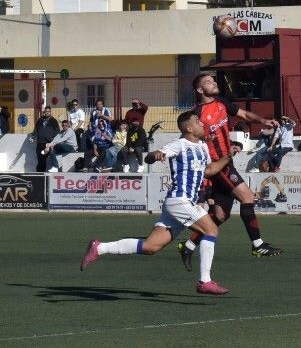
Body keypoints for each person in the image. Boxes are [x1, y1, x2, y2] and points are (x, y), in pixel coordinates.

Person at [80, 111, 237, 295]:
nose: (201, 123)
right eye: (197, 121)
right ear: (188, 128)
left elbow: (209, 170)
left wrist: (228, 157)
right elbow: (153, 155)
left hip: (179, 204)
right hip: (180, 201)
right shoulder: (179, 145)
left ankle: (100, 247)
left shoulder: (202, 147)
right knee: (211, 230)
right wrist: (155, 156)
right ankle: (205, 281)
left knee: (150, 247)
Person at [176, 73, 282, 268]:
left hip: (226, 163)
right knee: (247, 197)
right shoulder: (195, 114)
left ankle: (188, 244)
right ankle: (257, 245)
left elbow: (244, 115)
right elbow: (187, 140)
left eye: (214, 80)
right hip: (217, 166)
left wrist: (263, 120)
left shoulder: (223, 103)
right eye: (208, 81)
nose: (214, 82)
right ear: (200, 90)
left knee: (220, 215)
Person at [33, 106, 60, 172]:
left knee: (45, 158)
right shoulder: (40, 120)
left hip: (48, 143)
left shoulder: (54, 121)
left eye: (48, 111)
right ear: (44, 112)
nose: (47, 113)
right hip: (40, 142)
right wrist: (33, 136)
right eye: (46, 111)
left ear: (50, 112)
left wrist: (51, 138)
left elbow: (57, 131)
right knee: (39, 157)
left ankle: (42, 172)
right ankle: (40, 172)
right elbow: (36, 130)